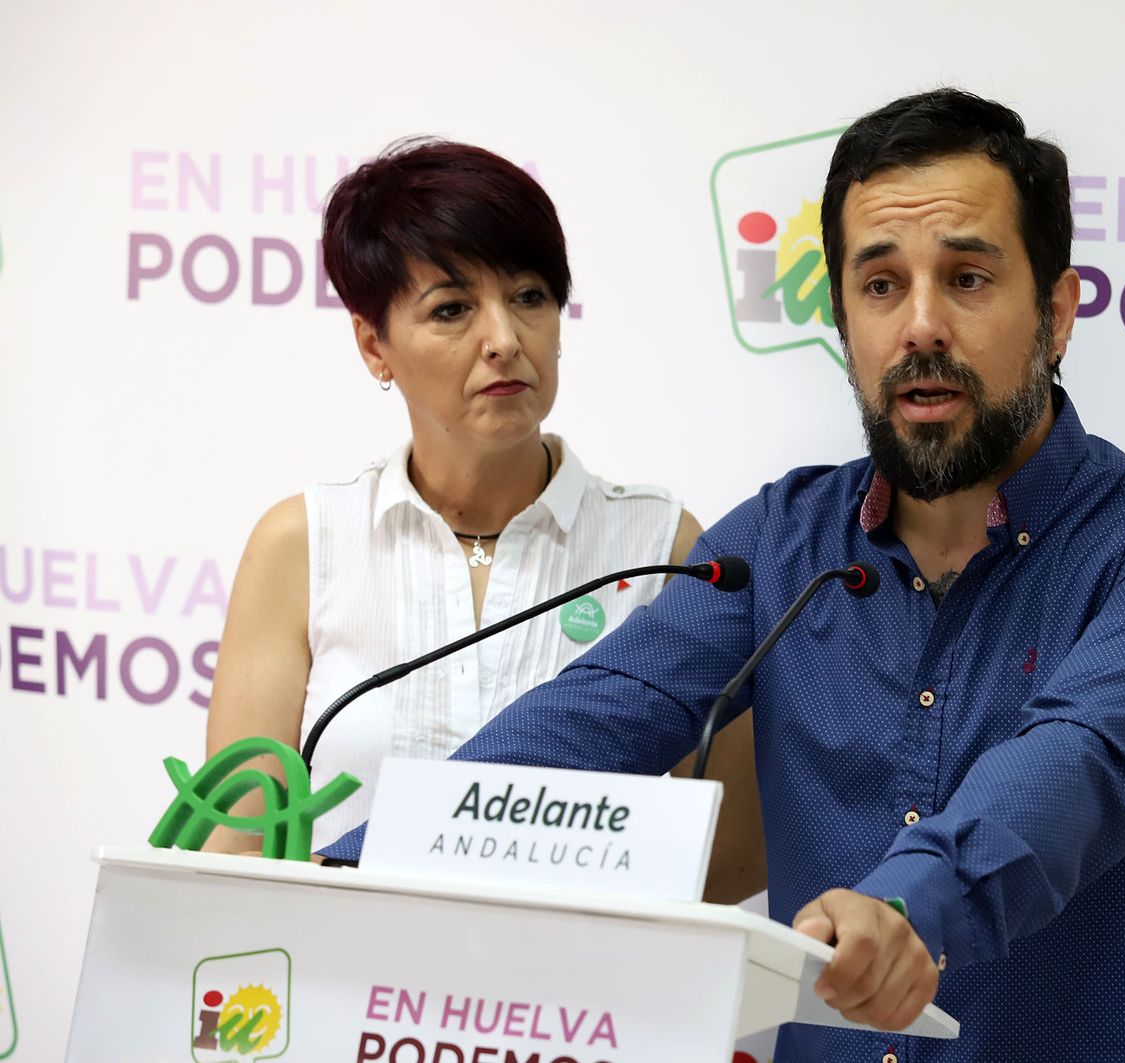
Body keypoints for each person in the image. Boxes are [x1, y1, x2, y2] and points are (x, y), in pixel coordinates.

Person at [326, 91, 1125, 1061]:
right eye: (881, 285)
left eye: (969, 278)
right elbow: (596, 713)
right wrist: (346, 873)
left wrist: (910, 906)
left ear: (1057, 312)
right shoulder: (781, 542)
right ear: (841, 315)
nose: (922, 325)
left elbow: (1077, 763)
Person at [203, 139, 764, 903]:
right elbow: (241, 842)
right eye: (452, 308)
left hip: (573, 1006)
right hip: (345, 994)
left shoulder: (668, 548)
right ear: (374, 345)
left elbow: (729, 857)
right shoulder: (304, 544)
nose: (504, 338)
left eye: (529, 296)